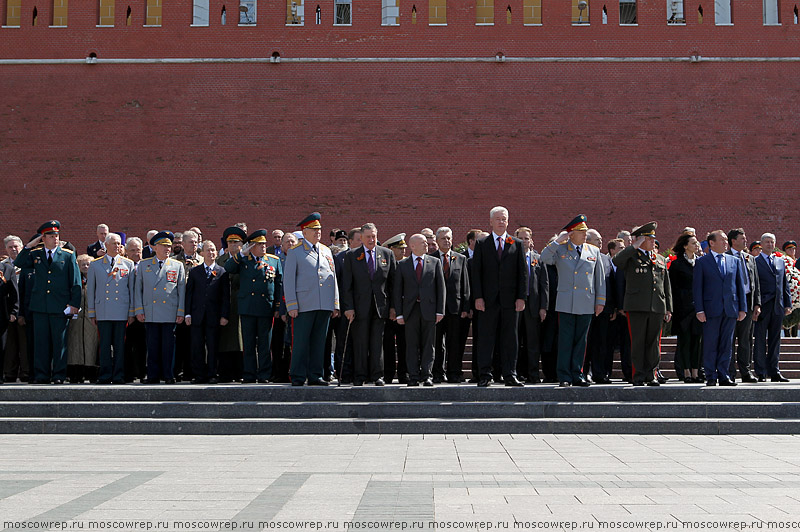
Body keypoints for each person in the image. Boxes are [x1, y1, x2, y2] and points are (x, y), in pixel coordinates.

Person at [541, 215, 605, 387]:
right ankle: (564, 376)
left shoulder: (593, 251)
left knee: (581, 341)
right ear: (571, 234)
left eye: (585, 231)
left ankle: (578, 373)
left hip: (586, 301)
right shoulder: (561, 249)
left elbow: (599, 278)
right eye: (580, 231)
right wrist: (557, 241)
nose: (584, 234)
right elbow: (544, 258)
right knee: (565, 340)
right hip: (566, 302)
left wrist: (600, 301)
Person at [14, 221, 82, 385]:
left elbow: (75, 282)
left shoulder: (67, 255)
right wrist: (30, 245)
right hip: (40, 307)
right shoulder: (35, 254)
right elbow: (19, 263)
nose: (55, 239)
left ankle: (58, 374)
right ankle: (41, 375)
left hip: (60, 307)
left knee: (60, 343)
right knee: (41, 344)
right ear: (43, 238)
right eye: (51, 236)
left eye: (57, 236)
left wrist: (74, 304)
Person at [472, 206, 528, 387]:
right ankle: (485, 375)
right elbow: (476, 273)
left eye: (504, 219)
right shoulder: (482, 244)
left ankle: (510, 374)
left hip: (510, 301)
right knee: (486, 338)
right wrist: (478, 297)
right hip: (487, 301)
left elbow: (523, 273)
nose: (501, 222)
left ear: (508, 221)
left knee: (510, 339)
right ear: (490, 221)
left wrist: (522, 297)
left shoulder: (516, 244)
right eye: (497, 219)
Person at [612, 222, 671, 387]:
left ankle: (651, 374)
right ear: (640, 240)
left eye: (653, 238)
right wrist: (634, 246)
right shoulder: (631, 256)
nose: (653, 241)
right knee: (637, 342)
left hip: (657, 306)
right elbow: (617, 261)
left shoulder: (658, 258)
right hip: (637, 306)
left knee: (653, 343)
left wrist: (668, 307)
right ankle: (638, 375)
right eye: (649, 238)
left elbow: (666, 285)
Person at [283, 212, 339, 386]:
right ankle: (298, 375)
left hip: (324, 303)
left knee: (319, 342)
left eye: (319, 229)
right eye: (313, 230)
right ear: (304, 231)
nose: (318, 233)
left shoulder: (326, 250)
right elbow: (289, 280)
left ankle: (316, 375)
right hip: (304, 304)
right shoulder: (295, 252)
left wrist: (335, 303)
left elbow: (332, 276)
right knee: (300, 342)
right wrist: (291, 304)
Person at [225, 229, 282, 384]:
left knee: (265, 344)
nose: (263, 247)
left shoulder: (273, 260)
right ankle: (249, 374)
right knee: (249, 343)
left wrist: (277, 307)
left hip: (266, 307)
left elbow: (278, 285)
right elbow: (228, 268)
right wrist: (242, 254)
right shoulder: (243, 260)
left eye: (264, 244)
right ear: (251, 246)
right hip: (248, 307)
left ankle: (264, 374)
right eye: (259, 244)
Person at [342, 222, 396, 386]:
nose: (371, 239)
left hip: (380, 307)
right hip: (359, 307)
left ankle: (377, 375)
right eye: (368, 237)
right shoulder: (352, 256)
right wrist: (349, 307)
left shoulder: (387, 254)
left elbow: (393, 284)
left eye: (374, 236)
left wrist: (393, 307)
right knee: (360, 342)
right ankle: (360, 376)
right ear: (362, 238)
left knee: (377, 343)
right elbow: (347, 285)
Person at [693, 230, 747, 386]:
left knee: (726, 344)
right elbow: (697, 288)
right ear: (712, 243)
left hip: (730, 309)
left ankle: (724, 375)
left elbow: (739, 286)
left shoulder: (734, 261)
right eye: (722, 240)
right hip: (711, 310)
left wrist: (742, 308)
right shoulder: (702, 262)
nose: (726, 242)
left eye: (726, 240)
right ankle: (710, 375)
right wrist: (699, 310)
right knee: (710, 343)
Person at [134, 231, 186, 384]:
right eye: (163, 246)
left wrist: (180, 311)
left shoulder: (177, 266)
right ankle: (153, 375)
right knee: (152, 345)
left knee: (169, 347)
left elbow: (181, 290)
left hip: (170, 311)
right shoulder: (144, 265)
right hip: (150, 311)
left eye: (169, 246)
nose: (167, 249)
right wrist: (139, 309)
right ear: (155, 247)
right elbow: (138, 289)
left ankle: (168, 375)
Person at [394, 234, 445, 386]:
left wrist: (440, 310)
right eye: (423, 243)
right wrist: (399, 313)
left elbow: (440, 288)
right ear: (413, 246)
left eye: (427, 243)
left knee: (429, 344)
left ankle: (427, 375)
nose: (426, 245)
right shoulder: (403, 265)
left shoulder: (434, 262)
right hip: (411, 310)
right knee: (411, 344)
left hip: (429, 310)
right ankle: (414, 376)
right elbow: (397, 291)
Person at [86, 232, 135, 384]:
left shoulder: (128, 264)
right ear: (106, 245)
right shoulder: (95, 264)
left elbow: (131, 289)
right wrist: (92, 311)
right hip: (103, 311)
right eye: (114, 243)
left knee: (120, 346)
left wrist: (132, 311)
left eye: (119, 243)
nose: (117, 246)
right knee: (105, 346)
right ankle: (105, 374)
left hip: (121, 311)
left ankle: (119, 375)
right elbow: (91, 290)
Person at [185, 240, 230, 384]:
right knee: (197, 347)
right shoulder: (194, 271)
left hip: (214, 316)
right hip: (197, 315)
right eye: (208, 250)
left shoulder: (222, 272)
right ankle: (199, 375)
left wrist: (224, 315)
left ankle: (212, 374)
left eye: (213, 250)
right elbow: (189, 294)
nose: (211, 253)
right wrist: (188, 314)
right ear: (202, 253)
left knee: (213, 346)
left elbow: (225, 296)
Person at [431, 226, 470, 383]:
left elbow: (465, 285)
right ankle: (437, 373)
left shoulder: (460, 259)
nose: (446, 241)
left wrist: (466, 308)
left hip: (455, 309)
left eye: (448, 238)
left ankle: (454, 372)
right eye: (443, 238)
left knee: (455, 342)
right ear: (437, 241)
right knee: (437, 343)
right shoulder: (431, 258)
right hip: (436, 309)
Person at [753, 232, 792, 382]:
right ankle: (761, 372)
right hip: (762, 306)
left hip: (778, 306)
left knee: (776, 340)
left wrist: (787, 304)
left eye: (772, 242)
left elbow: (785, 285)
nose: (770, 244)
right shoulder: (755, 262)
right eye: (767, 242)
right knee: (760, 340)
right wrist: (756, 304)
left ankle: (774, 371)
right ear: (761, 244)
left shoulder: (780, 261)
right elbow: (754, 285)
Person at [514, 227, 548, 384]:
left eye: (526, 238)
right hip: (515, 305)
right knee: (516, 341)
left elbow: (544, 285)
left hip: (533, 306)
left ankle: (533, 374)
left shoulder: (538, 258)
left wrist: (543, 307)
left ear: (531, 240)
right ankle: (517, 373)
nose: (524, 241)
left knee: (532, 342)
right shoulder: (511, 258)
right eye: (521, 238)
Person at [727, 228, 761, 382]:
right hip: (732, 303)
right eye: (742, 238)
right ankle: (729, 372)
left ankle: (746, 371)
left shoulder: (749, 258)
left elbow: (756, 283)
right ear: (733, 241)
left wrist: (757, 304)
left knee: (746, 339)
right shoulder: (725, 257)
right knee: (729, 338)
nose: (745, 240)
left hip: (748, 302)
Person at [669, 233, 703, 383]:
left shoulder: (701, 263)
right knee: (685, 341)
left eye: (697, 243)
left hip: (699, 308)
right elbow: (672, 288)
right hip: (683, 309)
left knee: (697, 340)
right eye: (693, 243)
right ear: (685, 246)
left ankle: (696, 372)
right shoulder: (677, 264)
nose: (697, 245)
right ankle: (686, 372)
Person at [216, 226, 247, 383]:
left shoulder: (245, 260)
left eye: (237, 243)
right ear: (226, 244)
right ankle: (225, 372)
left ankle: (240, 371)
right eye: (231, 242)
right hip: (224, 304)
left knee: (240, 339)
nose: (234, 246)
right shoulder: (219, 261)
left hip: (240, 303)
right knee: (225, 339)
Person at [584, 228, 614, 384]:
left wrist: (613, 307)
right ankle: (585, 372)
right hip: (586, 307)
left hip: (604, 308)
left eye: (601, 239)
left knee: (601, 342)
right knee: (586, 342)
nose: (601, 242)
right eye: (597, 240)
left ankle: (599, 373)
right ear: (587, 241)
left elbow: (611, 283)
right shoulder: (582, 256)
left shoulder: (605, 258)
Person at [67, 254, 99, 383]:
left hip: (91, 317)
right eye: (83, 264)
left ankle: (91, 373)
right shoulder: (75, 280)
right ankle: (75, 373)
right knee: (75, 345)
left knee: (91, 344)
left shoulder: (96, 279)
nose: (86, 267)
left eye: (88, 264)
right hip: (76, 319)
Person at [383, 233, 409, 384]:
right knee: (387, 345)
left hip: (405, 311)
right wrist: (392, 308)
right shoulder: (385, 265)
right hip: (388, 312)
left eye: (404, 248)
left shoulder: (406, 265)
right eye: (399, 249)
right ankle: (388, 373)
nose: (403, 251)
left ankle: (403, 374)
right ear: (390, 249)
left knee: (404, 344)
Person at [123, 237, 147, 382]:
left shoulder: (147, 265)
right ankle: (129, 372)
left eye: (138, 250)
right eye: (132, 250)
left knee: (143, 344)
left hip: (144, 312)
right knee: (128, 344)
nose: (136, 253)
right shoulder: (123, 265)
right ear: (126, 251)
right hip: (126, 312)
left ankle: (142, 372)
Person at [2, 235, 24, 383]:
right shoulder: (2, 266)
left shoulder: (29, 264)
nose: (14, 249)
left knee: (25, 343)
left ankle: (26, 372)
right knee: (9, 345)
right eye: (10, 247)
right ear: (6, 249)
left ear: (21, 247)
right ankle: (9, 373)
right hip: (6, 312)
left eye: (16, 246)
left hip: (25, 309)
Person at [0, 249, 19, 384]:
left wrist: (14, 312)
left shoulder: (7, 269)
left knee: (1, 346)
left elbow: (14, 293)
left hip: (1, 314)